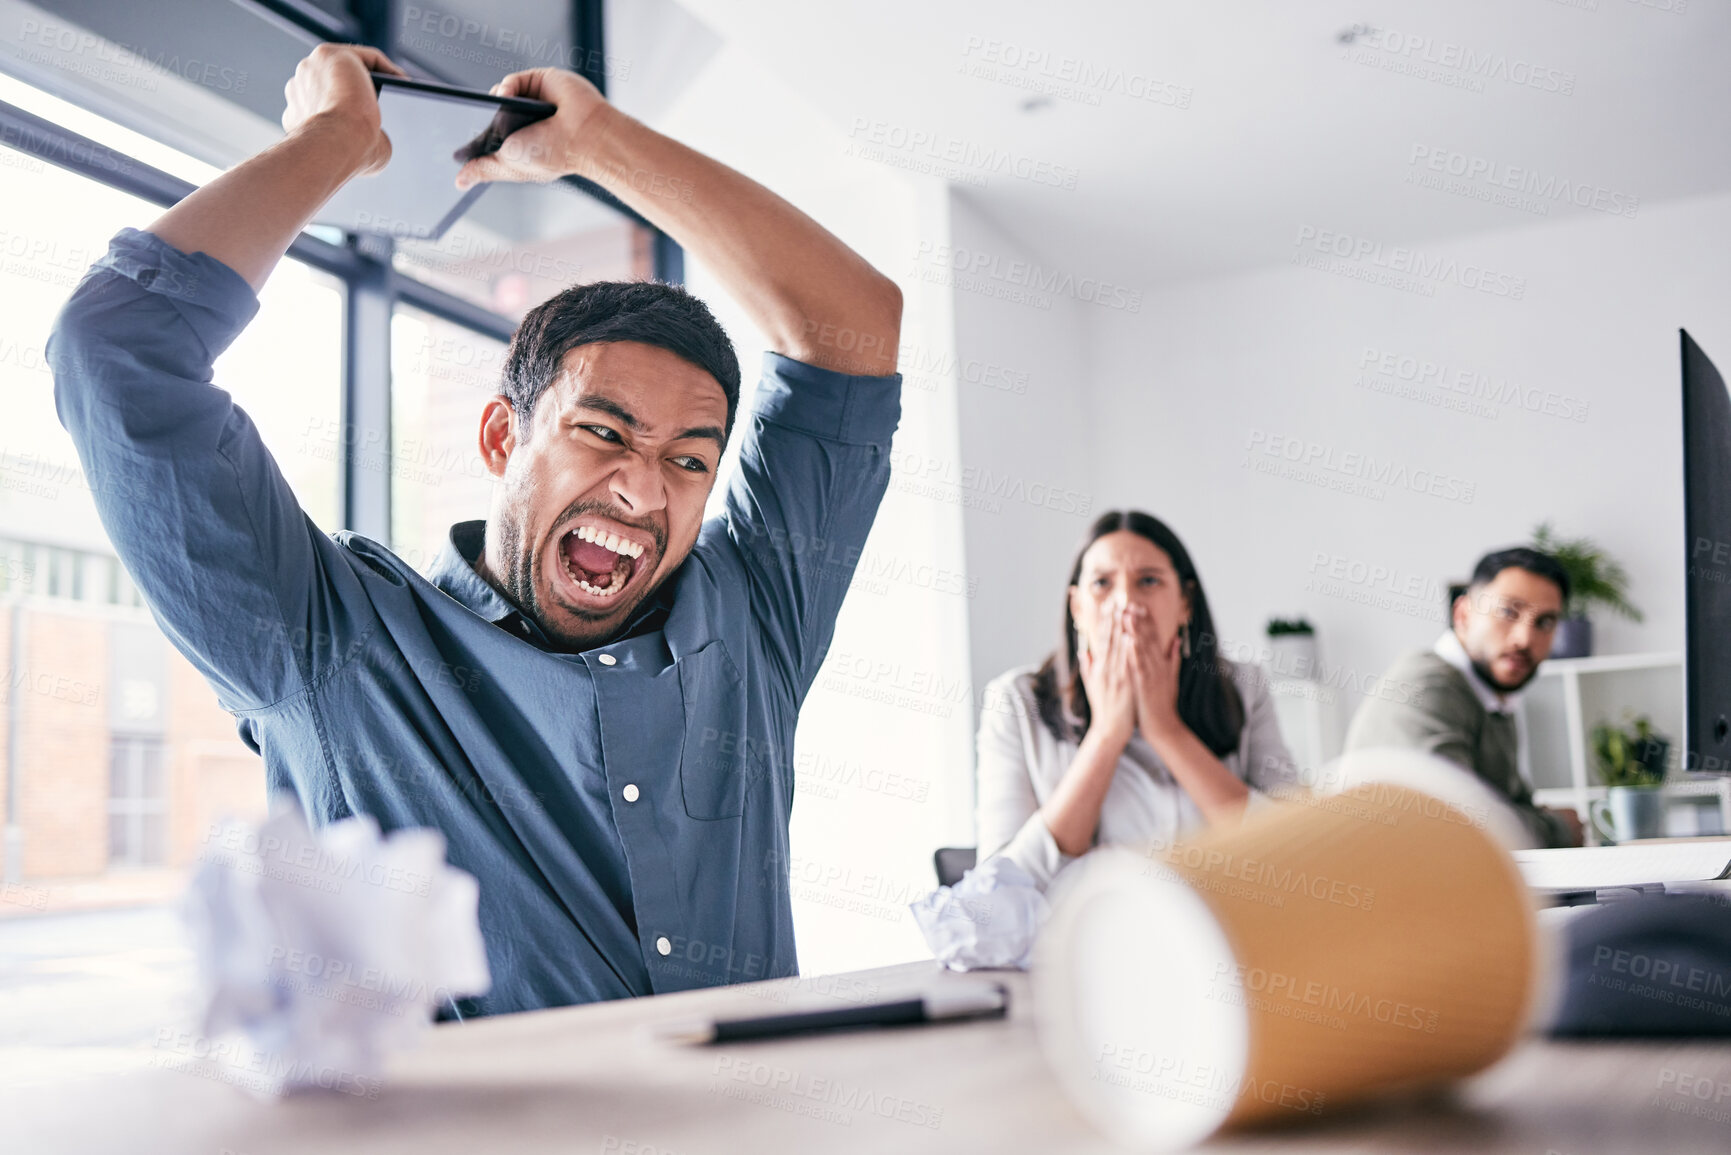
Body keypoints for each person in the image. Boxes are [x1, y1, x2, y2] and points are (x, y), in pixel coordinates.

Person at [47, 45, 903, 1015]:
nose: (640, 487)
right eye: (603, 432)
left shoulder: (752, 620)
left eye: (688, 459)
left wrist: (602, 144)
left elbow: (855, 331)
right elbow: (116, 349)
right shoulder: (333, 646)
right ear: (503, 435)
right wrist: (336, 141)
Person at [975, 511, 1299, 887]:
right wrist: (1106, 735)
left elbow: (1294, 849)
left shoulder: (1244, 687)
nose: (1127, 603)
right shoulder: (1015, 701)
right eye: (1102, 584)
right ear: (1077, 608)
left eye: (1148, 581)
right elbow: (998, 892)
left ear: (1185, 603)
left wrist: (1166, 730)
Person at [1343, 547, 1584, 848]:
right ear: (1463, 615)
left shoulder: (1491, 696)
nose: (1525, 638)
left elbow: (1509, 806)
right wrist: (1557, 829)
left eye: (1545, 622)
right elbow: (1459, 826)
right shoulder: (1428, 687)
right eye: (1509, 612)